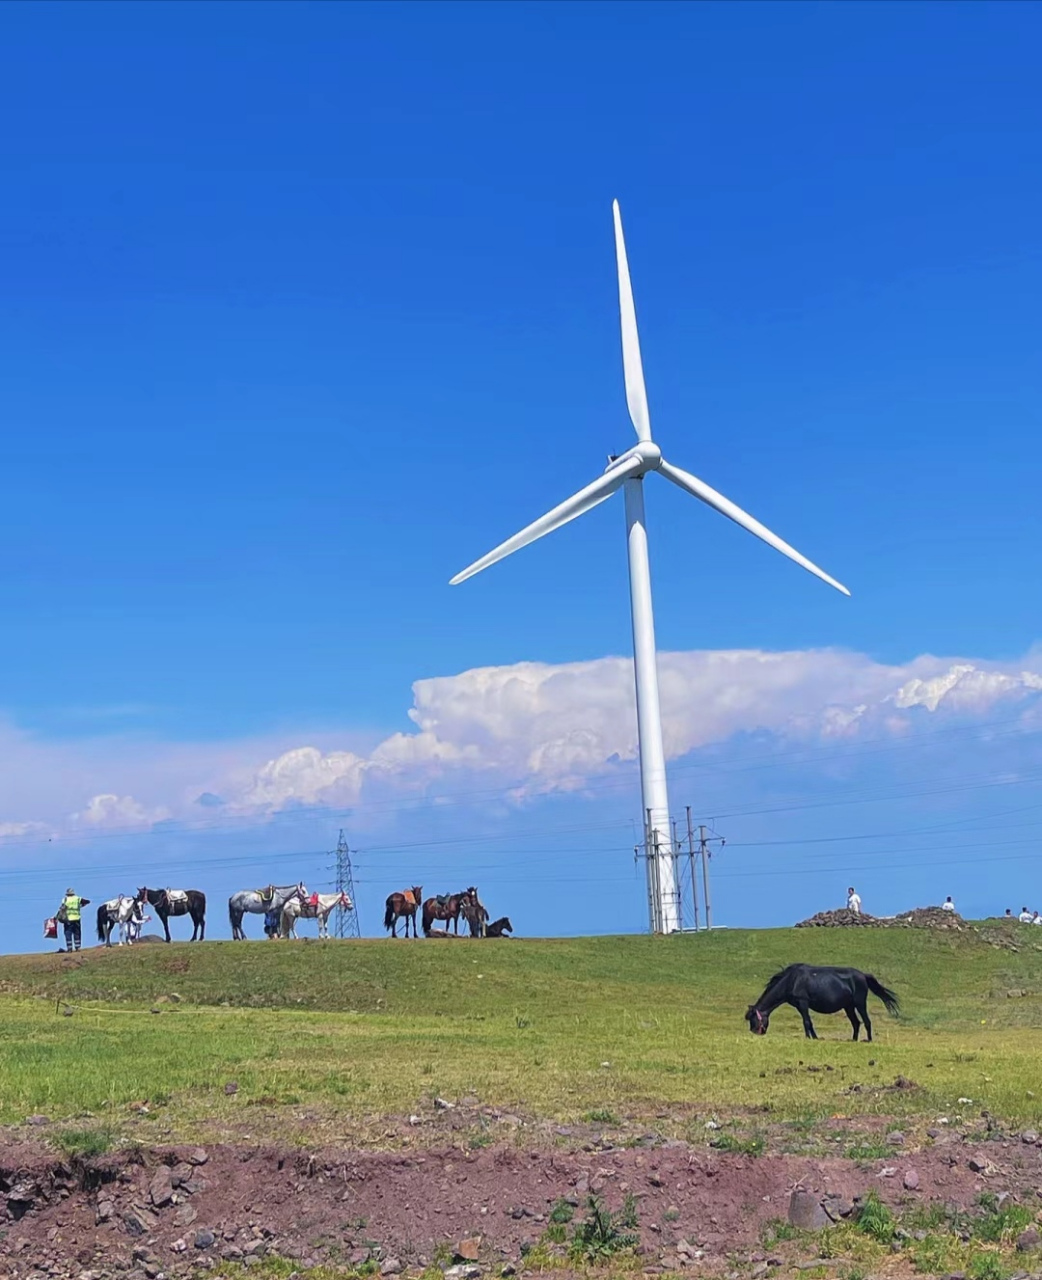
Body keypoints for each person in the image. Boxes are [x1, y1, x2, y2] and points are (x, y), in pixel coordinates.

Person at [57, 887, 90, 952]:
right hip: (76, 918)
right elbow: (87, 901)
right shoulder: (77, 899)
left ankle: (69, 948)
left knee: (68, 933)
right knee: (77, 933)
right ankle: (77, 947)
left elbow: (62, 908)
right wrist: (81, 906)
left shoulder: (65, 900)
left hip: (67, 919)